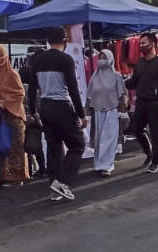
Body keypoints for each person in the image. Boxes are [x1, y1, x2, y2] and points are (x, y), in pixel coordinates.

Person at [28, 26, 87, 201]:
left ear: (47, 41)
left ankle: (54, 188)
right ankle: (63, 182)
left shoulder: (37, 60)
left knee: (54, 147)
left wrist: (33, 110)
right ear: (65, 40)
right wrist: (81, 114)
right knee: (77, 144)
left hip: (44, 106)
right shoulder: (66, 60)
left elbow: (31, 89)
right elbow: (73, 88)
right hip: (62, 105)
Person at [126, 33, 158, 173]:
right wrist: (119, 82)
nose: (141, 46)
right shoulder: (140, 63)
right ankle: (149, 152)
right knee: (136, 129)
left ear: (152, 44)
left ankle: (156, 162)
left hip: (155, 103)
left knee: (156, 133)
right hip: (141, 102)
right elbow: (134, 82)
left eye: (144, 43)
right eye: (140, 43)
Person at [0, 45, 29, 187]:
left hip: (14, 115)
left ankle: (17, 177)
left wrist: (5, 102)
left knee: (16, 147)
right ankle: (4, 176)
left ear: (3, 57)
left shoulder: (12, 74)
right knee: (3, 146)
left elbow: (20, 93)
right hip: (1, 117)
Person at [87, 49, 126, 177]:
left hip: (112, 110)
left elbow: (121, 95)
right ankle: (99, 163)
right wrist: (86, 111)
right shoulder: (95, 76)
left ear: (110, 58)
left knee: (109, 138)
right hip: (98, 111)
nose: (101, 59)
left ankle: (107, 165)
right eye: (100, 57)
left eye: (104, 57)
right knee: (99, 139)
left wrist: (122, 111)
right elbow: (90, 95)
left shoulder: (116, 76)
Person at [19, 48, 46, 178]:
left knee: (26, 147)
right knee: (37, 145)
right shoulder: (35, 90)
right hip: (35, 120)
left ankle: (28, 171)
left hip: (23, 119)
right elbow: (38, 105)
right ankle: (42, 169)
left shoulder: (18, 90)